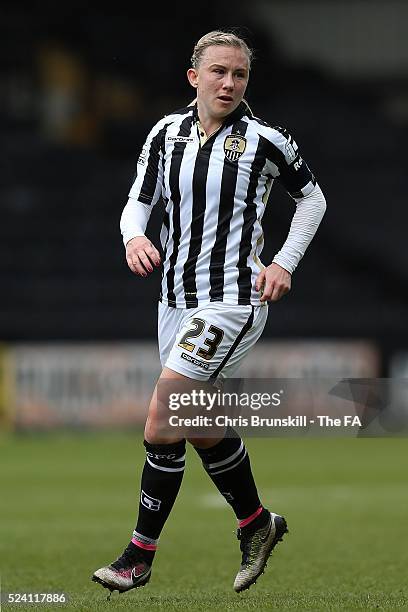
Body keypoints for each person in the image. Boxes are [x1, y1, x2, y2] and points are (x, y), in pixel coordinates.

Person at [92, 29, 326, 596]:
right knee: (195, 422)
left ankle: (137, 557)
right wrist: (132, 238)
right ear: (193, 76)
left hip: (233, 299)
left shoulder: (266, 140)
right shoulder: (165, 134)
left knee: (162, 416)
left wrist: (283, 261)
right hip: (174, 300)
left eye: (239, 74)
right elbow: (137, 201)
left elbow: (312, 198)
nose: (229, 82)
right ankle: (257, 523)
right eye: (219, 71)